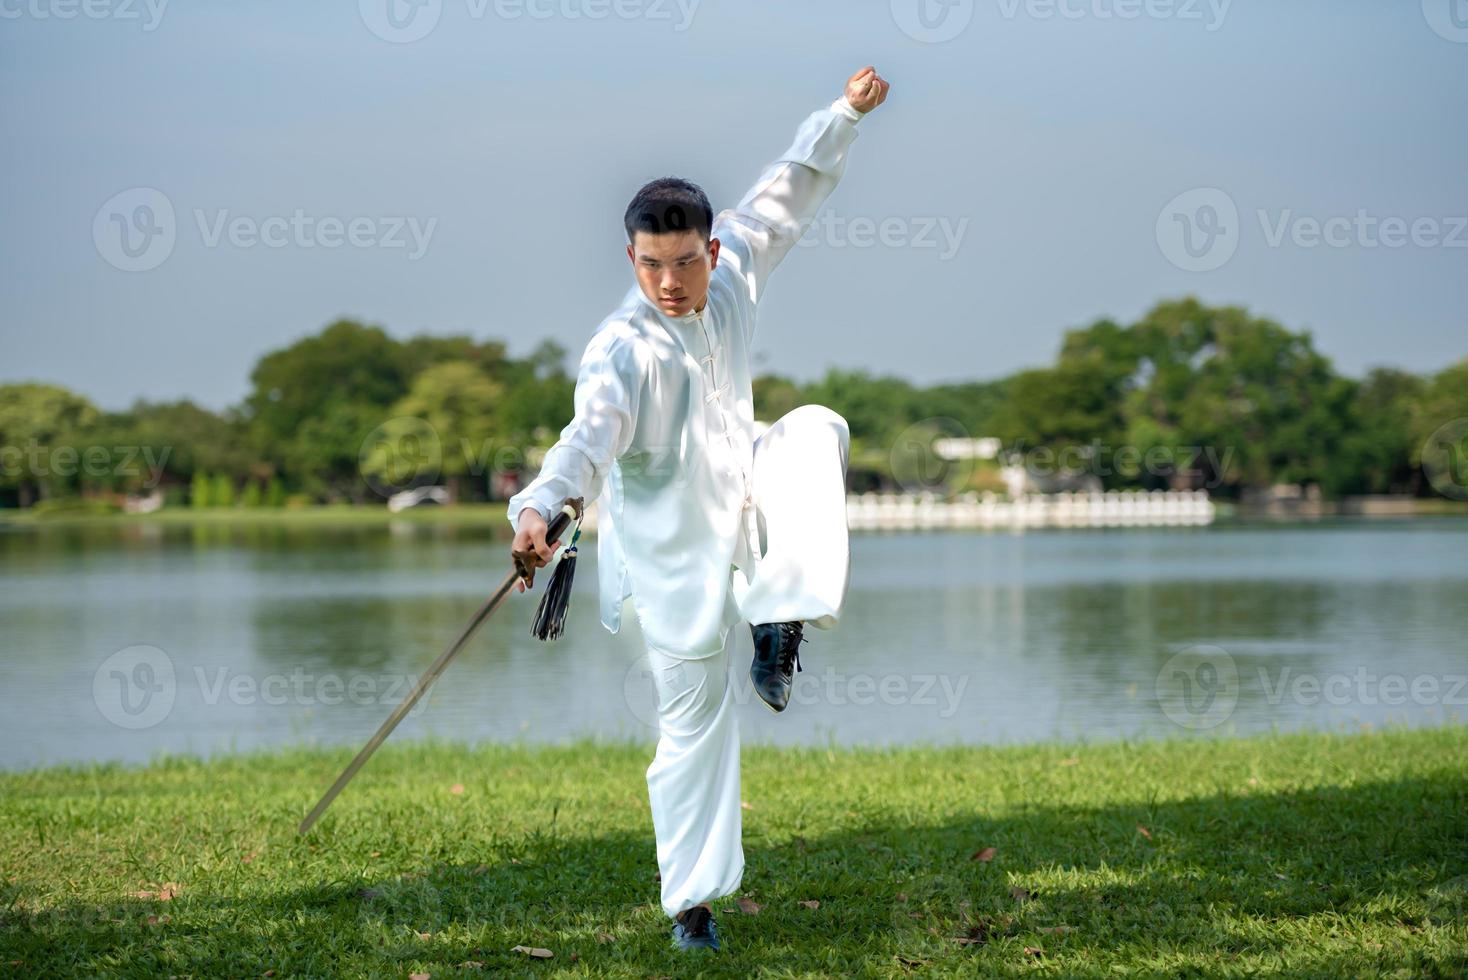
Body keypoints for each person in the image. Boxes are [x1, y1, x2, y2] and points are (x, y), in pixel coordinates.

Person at [507, 65, 890, 952]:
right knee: (691, 735)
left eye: (685, 262)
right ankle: (694, 910)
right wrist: (543, 506)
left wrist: (845, 114)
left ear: (712, 251)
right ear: (630, 257)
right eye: (651, 265)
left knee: (815, 428)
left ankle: (777, 622)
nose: (670, 282)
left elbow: (788, 191)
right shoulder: (621, 350)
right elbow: (585, 439)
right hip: (671, 564)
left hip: (747, 519)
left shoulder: (735, 272)